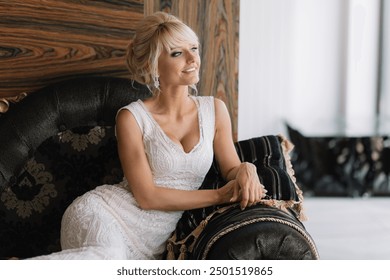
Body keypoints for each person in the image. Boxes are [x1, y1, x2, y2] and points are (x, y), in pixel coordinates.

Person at [28, 11, 266, 260]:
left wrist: (246, 169)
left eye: (193, 48)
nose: (192, 58)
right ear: (154, 65)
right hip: (104, 214)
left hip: (150, 244)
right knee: (107, 259)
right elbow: (146, 196)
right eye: (177, 53)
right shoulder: (131, 118)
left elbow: (231, 168)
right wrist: (219, 196)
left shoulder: (215, 110)